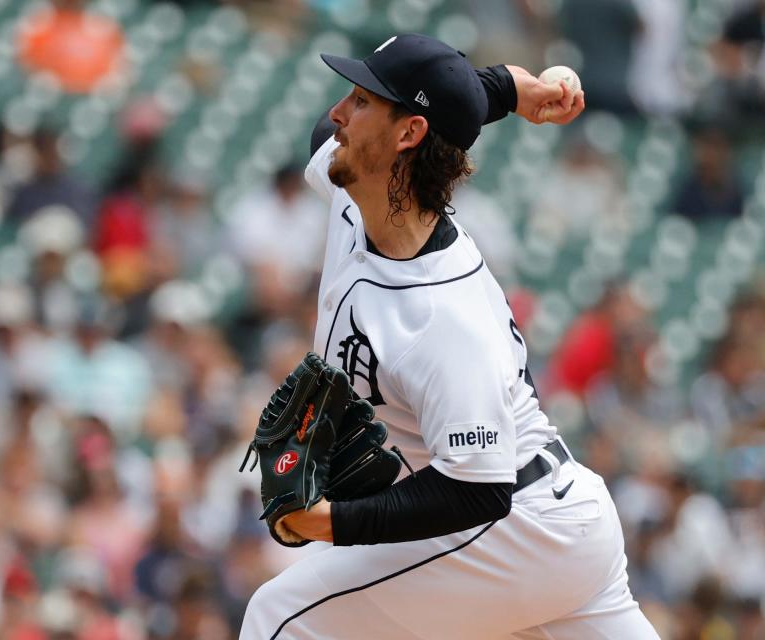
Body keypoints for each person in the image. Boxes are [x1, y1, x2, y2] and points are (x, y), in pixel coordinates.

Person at [240, 34, 659, 638]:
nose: (336, 114)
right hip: (560, 526)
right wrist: (506, 89)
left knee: (280, 617)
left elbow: (476, 492)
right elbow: (328, 136)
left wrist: (328, 523)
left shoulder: (442, 316)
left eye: (360, 101)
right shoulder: (353, 191)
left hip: (515, 525)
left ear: (408, 135)